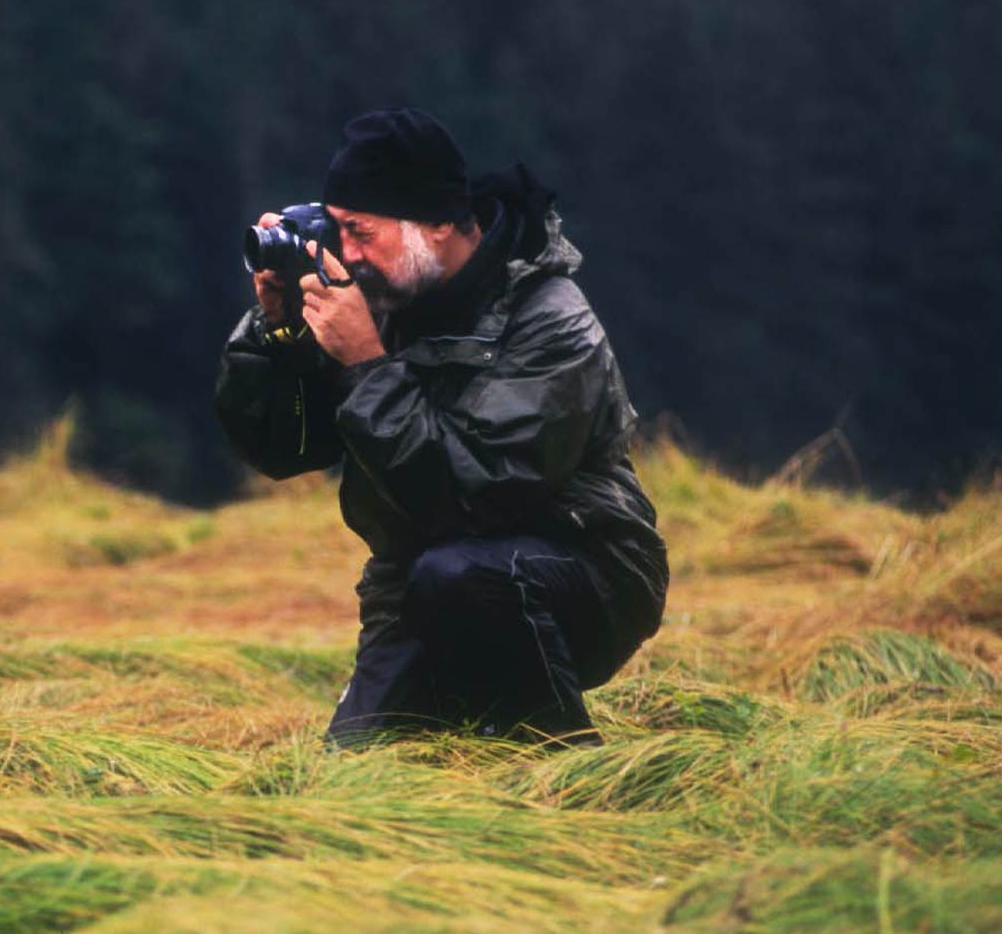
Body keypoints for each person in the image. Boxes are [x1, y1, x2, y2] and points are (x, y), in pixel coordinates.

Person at [214, 107, 667, 747]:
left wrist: (367, 365)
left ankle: (563, 757)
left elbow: (478, 495)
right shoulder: (379, 299)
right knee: (352, 771)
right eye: (337, 230)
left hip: (585, 572)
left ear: (439, 224)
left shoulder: (549, 319)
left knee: (460, 575)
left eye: (362, 232)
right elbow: (280, 450)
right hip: (415, 585)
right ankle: (486, 726)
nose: (350, 254)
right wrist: (280, 331)